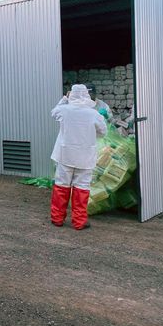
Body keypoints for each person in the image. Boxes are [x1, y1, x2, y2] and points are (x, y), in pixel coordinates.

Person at [50, 84, 107, 230]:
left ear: (71, 94)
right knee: (82, 189)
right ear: (87, 95)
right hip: (85, 157)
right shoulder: (93, 113)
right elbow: (103, 132)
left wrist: (64, 98)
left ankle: (57, 219)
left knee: (61, 186)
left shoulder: (64, 110)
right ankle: (79, 222)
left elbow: (53, 112)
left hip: (65, 155)